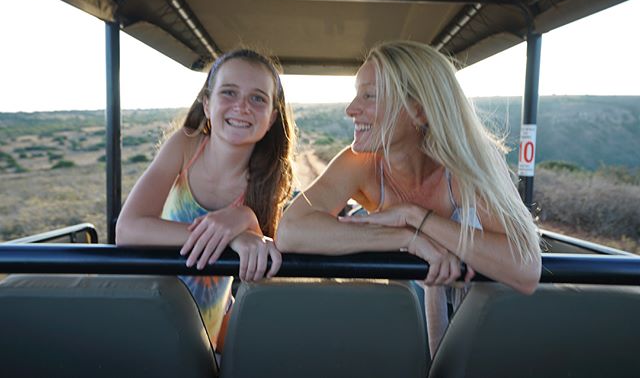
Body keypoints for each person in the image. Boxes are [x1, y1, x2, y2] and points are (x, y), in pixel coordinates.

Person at [276, 40, 541, 356]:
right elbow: (290, 231)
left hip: (486, 339)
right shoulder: (361, 163)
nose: (351, 109)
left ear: (420, 110)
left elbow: (526, 270)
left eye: (369, 96)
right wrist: (406, 237)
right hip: (410, 330)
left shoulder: (469, 167)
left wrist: (416, 217)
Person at [116, 48, 295, 350]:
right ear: (207, 104)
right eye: (229, 92)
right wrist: (226, 236)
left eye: (257, 98)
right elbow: (128, 228)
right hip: (148, 316)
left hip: (207, 334)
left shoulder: (265, 179)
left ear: (271, 118)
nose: (242, 107)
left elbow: (259, 256)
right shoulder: (186, 146)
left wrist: (246, 221)